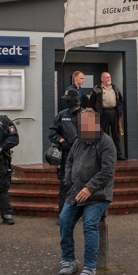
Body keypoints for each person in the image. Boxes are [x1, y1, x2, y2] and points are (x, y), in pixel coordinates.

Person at [58, 108, 116, 275]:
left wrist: (89, 188)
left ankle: (90, 268)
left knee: (89, 225)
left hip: (98, 194)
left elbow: (107, 171)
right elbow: (69, 161)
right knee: (64, 221)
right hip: (76, 191)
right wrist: (69, 179)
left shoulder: (106, 142)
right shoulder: (78, 141)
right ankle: (69, 260)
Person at [49, 89, 83, 217]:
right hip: (66, 156)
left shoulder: (86, 115)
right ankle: (63, 214)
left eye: (68, 99)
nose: (66, 101)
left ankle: (83, 213)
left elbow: (94, 139)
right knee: (65, 185)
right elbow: (52, 132)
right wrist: (61, 140)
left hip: (83, 156)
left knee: (83, 185)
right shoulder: (62, 115)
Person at [89, 72, 125, 159]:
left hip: (114, 112)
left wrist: (119, 110)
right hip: (103, 113)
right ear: (102, 79)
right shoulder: (97, 89)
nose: (109, 79)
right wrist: (97, 111)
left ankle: (119, 155)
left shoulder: (115, 88)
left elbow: (120, 100)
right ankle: (104, 155)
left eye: (110, 77)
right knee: (104, 134)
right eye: (107, 77)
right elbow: (92, 102)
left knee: (116, 134)